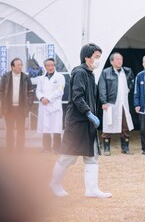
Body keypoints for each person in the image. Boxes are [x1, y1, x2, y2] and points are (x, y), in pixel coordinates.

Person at [49, 43, 112, 198]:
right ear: (87, 57)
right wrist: (89, 113)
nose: (98, 60)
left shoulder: (90, 73)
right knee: (69, 155)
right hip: (77, 122)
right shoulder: (79, 72)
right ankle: (54, 183)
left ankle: (92, 189)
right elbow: (77, 96)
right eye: (96, 57)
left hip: (88, 122)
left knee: (92, 154)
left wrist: (91, 115)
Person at [98, 52, 134, 156]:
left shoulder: (127, 71)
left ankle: (125, 148)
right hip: (111, 103)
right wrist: (104, 101)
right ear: (112, 62)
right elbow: (102, 88)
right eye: (117, 59)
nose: (119, 61)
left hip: (123, 103)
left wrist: (129, 88)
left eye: (121, 59)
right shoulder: (106, 72)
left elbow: (132, 81)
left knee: (125, 126)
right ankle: (107, 148)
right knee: (108, 126)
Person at [0, 58, 34, 152]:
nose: (20, 67)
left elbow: (31, 92)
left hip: (21, 108)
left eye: (21, 65)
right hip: (9, 108)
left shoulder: (25, 77)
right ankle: (10, 150)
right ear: (12, 67)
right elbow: (1, 92)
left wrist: (28, 105)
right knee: (9, 130)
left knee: (21, 130)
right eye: (18, 65)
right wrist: (2, 106)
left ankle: (20, 151)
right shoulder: (5, 77)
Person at [36, 58, 65, 154]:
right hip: (44, 106)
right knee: (46, 128)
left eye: (52, 65)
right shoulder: (41, 78)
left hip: (55, 106)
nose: (50, 67)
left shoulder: (60, 77)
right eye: (48, 65)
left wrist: (48, 99)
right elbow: (38, 91)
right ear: (45, 67)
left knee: (56, 129)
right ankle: (46, 148)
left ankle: (57, 149)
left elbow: (60, 91)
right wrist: (41, 98)